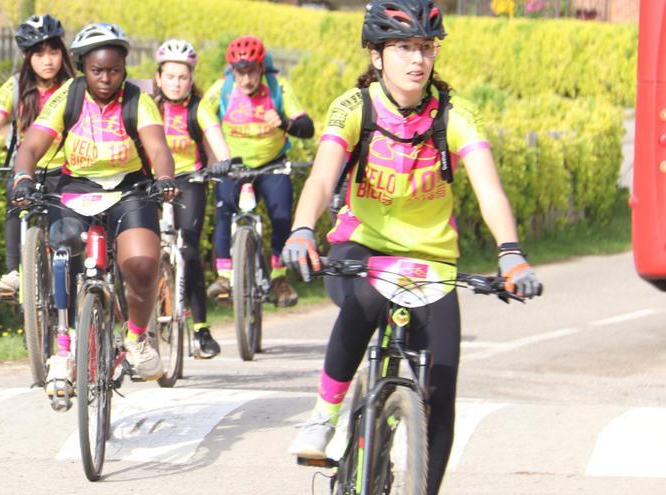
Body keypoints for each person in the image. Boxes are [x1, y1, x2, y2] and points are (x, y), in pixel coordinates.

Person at [283, 1, 542, 493]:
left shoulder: (455, 114)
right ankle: (324, 415)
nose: (417, 59)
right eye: (404, 47)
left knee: (440, 393)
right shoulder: (353, 107)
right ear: (377, 56)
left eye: (426, 47)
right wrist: (301, 229)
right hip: (361, 247)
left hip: (431, 261)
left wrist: (511, 252)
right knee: (369, 297)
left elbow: (490, 189)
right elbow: (321, 179)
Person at [11, 22, 177, 401]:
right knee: (65, 249)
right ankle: (63, 346)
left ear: (124, 68)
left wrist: (165, 178)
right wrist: (23, 176)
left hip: (129, 188)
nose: (106, 78)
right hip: (77, 187)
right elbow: (34, 143)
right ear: (82, 67)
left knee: (141, 265)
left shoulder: (138, 99)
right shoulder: (68, 96)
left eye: (114, 70)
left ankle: (136, 338)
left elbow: (157, 147)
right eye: (97, 71)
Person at [0, 14, 75, 301]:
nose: (48, 61)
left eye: (54, 52)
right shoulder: (16, 88)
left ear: (63, 53)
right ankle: (15, 272)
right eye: (39, 54)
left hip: (67, 171)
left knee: (68, 239)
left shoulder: (75, 86)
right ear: (26, 56)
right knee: (14, 192)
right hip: (28, 170)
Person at [198, 35, 315, 308]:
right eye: (240, 72)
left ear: (262, 68)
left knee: (282, 215)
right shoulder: (224, 88)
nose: (246, 79)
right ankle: (225, 277)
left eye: (251, 71)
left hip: (272, 163)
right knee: (224, 213)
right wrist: (218, 152)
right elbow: (202, 110)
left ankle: (279, 278)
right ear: (232, 71)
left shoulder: (279, 87)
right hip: (234, 165)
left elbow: (307, 128)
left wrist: (285, 123)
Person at [152, 39, 232, 358]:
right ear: (158, 78)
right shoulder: (148, 107)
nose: (176, 83)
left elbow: (215, 136)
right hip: (152, 182)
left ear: (191, 78)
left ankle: (200, 329)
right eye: (170, 77)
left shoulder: (199, 108)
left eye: (182, 77)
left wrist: (224, 160)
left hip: (190, 180)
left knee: (187, 249)